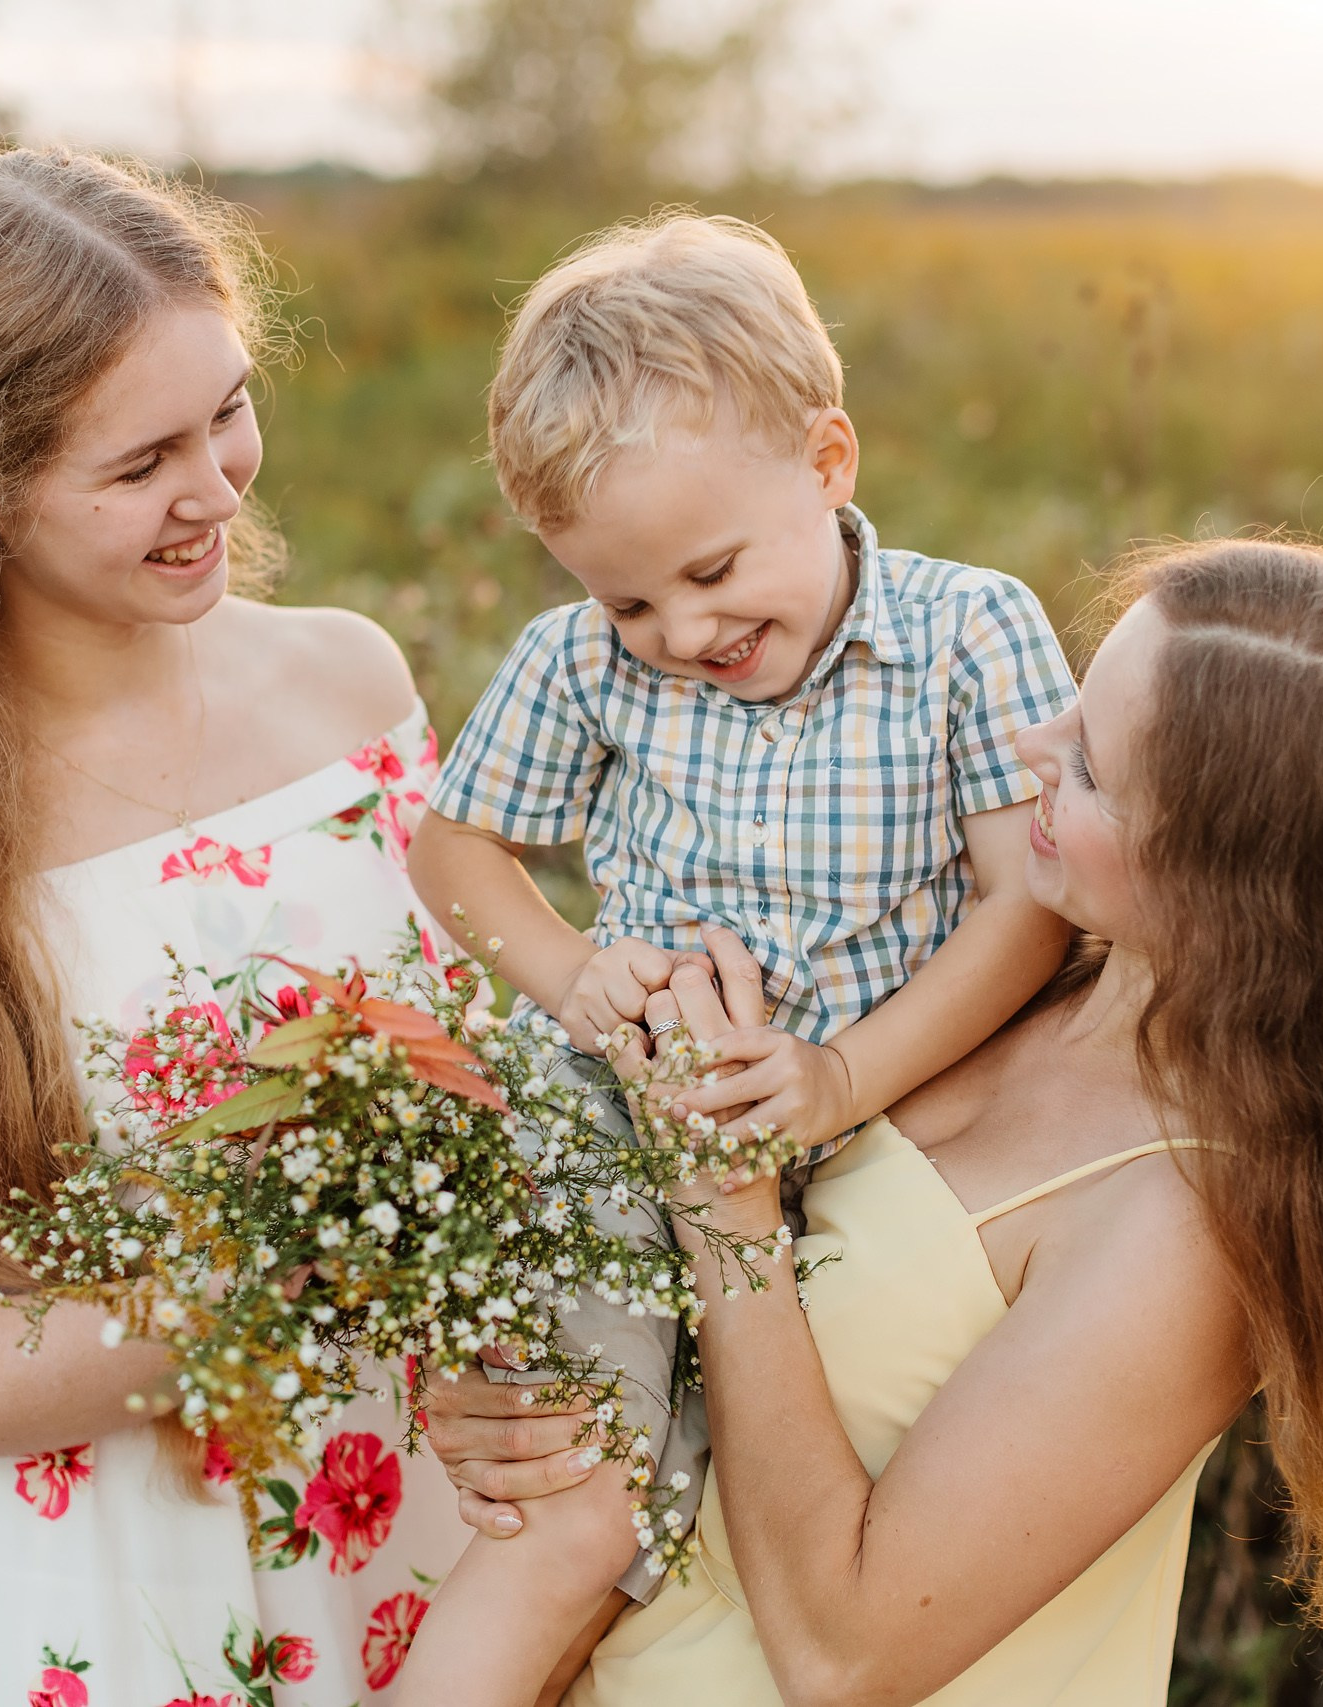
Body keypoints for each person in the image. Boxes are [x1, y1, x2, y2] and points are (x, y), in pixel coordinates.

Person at [420, 539, 1323, 1707]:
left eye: (1086, 768)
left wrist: (722, 1213)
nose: (1030, 747)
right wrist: (531, 1414)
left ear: (1220, 879)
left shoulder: (1190, 1225)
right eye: (1071, 707)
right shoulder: (994, 974)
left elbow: (845, 1656)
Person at [0, 148, 466, 1704]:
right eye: (140, 464)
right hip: (130, 1592)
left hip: (438, 1527)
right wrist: (278, 1263)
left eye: (229, 411)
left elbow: (478, 1067)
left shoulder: (351, 686)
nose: (213, 486)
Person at [404, 215, 1078, 1699]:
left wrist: (841, 1075)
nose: (680, 631)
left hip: (888, 1113)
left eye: (710, 571)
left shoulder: (969, 633)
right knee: (576, 1493)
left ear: (828, 463)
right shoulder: (579, 661)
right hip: (626, 1117)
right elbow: (454, 851)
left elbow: (1025, 905)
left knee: (807, 1481)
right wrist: (573, 973)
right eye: (630, 597)